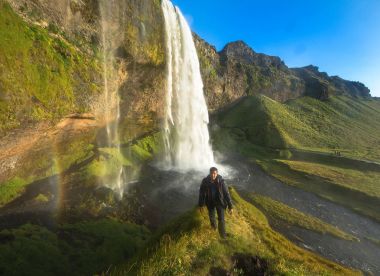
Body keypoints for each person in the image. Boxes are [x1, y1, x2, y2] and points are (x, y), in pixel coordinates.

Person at [198, 167, 233, 238]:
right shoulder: (205, 181)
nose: (213, 175)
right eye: (212, 173)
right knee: (212, 217)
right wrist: (201, 205)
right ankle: (214, 229)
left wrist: (230, 206)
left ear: (217, 174)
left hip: (220, 202)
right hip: (210, 202)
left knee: (221, 219)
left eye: (215, 173)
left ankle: (223, 236)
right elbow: (201, 193)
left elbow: (226, 194)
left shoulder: (222, 182)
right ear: (209, 173)